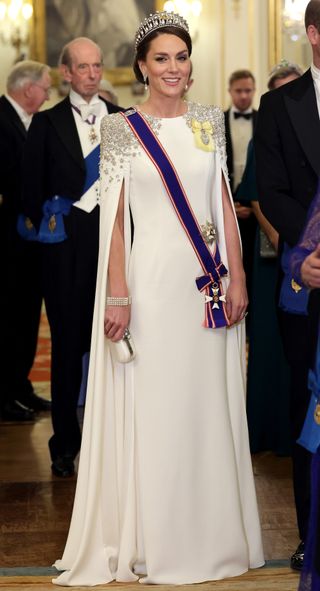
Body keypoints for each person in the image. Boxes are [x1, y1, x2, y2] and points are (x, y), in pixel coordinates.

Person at [52, 11, 264, 586]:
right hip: (149, 288)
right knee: (158, 406)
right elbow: (115, 222)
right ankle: (154, 536)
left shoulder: (208, 123)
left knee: (205, 404)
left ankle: (212, 533)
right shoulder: (120, 130)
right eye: (162, 58)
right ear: (143, 67)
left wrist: (239, 276)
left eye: (181, 57)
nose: (174, 67)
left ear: (191, 66)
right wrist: (117, 294)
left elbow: (222, 202)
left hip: (207, 285)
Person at [22, 38, 123, 477]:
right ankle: (65, 443)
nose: (92, 74)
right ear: (66, 73)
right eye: (83, 67)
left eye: (97, 66)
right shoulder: (45, 124)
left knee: (117, 340)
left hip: (115, 244)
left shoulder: (123, 121)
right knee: (67, 347)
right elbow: (29, 187)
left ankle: (116, 440)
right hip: (65, 252)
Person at [254, 0, 320, 571]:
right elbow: (270, 190)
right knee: (309, 409)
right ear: (314, 33)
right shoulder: (279, 106)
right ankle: (312, 534)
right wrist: (304, 254)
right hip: (311, 280)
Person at [237, 60, 302, 457]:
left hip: (307, 252)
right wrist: (282, 239)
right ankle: (266, 431)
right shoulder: (264, 130)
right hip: (272, 253)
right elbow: (255, 194)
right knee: (269, 343)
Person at [0, 60, 51, 422]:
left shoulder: (27, 120)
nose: (48, 94)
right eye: (45, 88)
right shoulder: (2, 120)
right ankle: (4, 394)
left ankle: (21, 386)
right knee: (8, 318)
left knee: (27, 314)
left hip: (28, 241)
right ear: (28, 88)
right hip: (7, 240)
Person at [224, 69, 258, 322]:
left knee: (254, 270)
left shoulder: (265, 120)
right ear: (230, 91)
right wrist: (229, 204)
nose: (244, 96)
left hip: (259, 208)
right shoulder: (217, 122)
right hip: (226, 204)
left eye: (248, 91)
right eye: (239, 91)